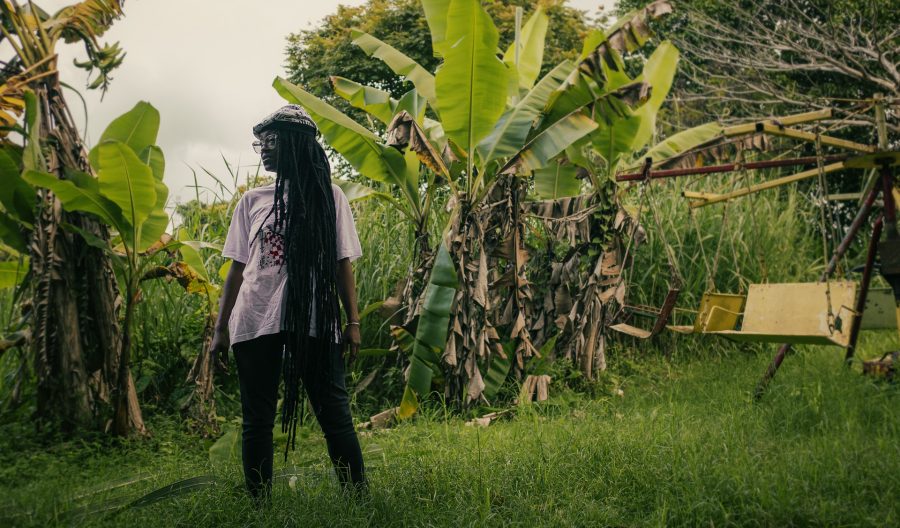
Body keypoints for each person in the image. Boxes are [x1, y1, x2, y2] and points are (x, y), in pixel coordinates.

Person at [210, 104, 367, 502]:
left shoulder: (329, 196)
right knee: (257, 419)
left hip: (313, 318)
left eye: (272, 140)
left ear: (296, 144)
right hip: (255, 318)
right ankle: (258, 502)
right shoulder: (252, 201)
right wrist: (219, 330)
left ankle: (358, 496)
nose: (263, 148)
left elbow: (341, 263)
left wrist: (353, 322)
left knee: (333, 412)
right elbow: (236, 269)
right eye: (260, 142)